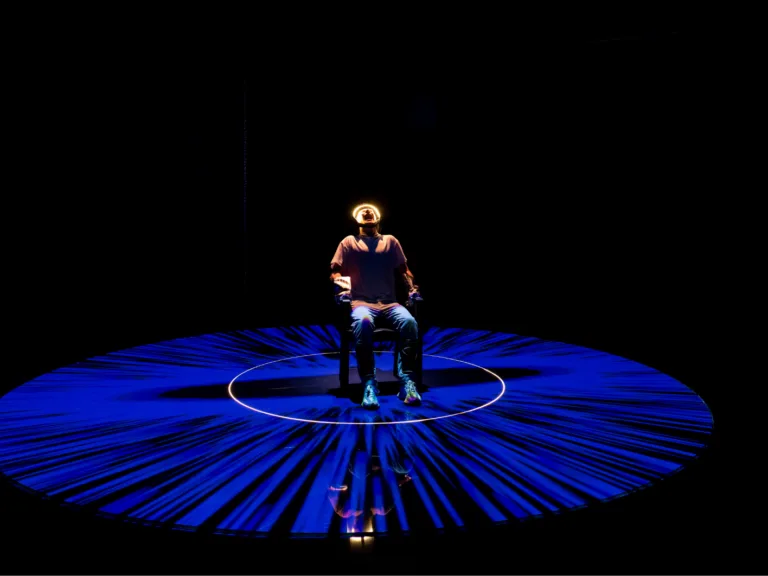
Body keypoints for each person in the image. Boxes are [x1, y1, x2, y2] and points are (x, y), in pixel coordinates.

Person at [330, 203, 423, 409]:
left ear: (378, 217)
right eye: (364, 211)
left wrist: (412, 289)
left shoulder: (390, 241)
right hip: (361, 303)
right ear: (357, 219)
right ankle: (369, 383)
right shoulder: (348, 242)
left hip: (389, 303)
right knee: (362, 322)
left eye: (370, 211)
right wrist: (342, 289)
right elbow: (335, 271)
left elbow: (404, 270)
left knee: (409, 323)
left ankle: (407, 381)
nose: (367, 212)